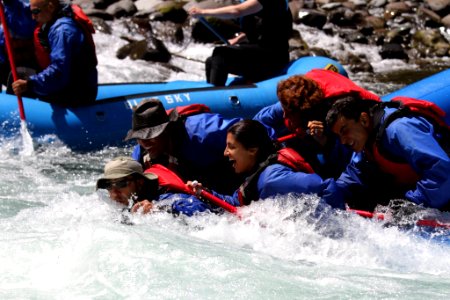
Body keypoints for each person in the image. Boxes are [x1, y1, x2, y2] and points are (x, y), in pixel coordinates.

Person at [326, 96, 450, 211]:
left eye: (344, 131)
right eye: (338, 136)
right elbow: (354, 174)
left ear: (363, 120)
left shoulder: (399, 129)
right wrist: (330, 194)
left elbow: (442, 171)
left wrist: (412, 205)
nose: (342, 141)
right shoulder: (366, 141)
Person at [187, 119, 345, 210]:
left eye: (231, 147)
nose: (225, 153)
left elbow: (327, 187)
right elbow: (236, 204)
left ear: (252, 151)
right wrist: (204, 193)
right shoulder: (256, 176)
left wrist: (337, 226)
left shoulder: (272, 179)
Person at [254, 69, 381, 179]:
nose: (285, 115)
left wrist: (325, 142)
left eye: (289, 114)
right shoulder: (288, 103)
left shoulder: (337, 114)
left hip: (338, 133)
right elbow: (257, 123)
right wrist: (271, 142)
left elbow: (346, 159)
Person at [124, 99, 243, 195]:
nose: (145, 143)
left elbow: (252, 133)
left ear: (166, 130)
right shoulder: (142, 154)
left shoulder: (204, 131)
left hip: (231, 180)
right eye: (140, 137)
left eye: (151, 136)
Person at [7, 0, 97, 105]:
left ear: (50, 7)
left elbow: (59, 70)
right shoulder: (54, 20)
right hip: (68, 83)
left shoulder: (63, 30)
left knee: (24, 81)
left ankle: (18, 115)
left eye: (35, 12)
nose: (33, 17)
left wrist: (30, 84)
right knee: (19, 73)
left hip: (76, 93)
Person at [188, 0, 292, 86]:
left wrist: (203, 12)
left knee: (220, 55)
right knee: (211, 61)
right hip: (261, 54)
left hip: (273, 58)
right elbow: (262, 29)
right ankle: (209, 94)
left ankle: (214, 97)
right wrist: (238, 39)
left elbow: (236, 11)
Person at [96, 156, 212, 217]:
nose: (115, 192)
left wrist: (159, 210)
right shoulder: (111, 209)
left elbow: (201, 210)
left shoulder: (163, 197)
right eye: (109, 185)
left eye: (121, 183)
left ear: (140, 182)